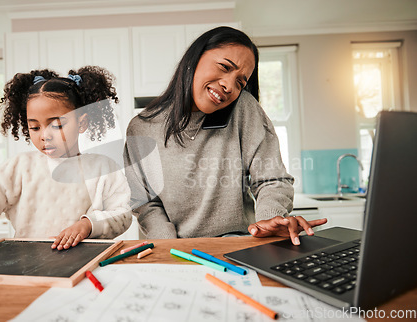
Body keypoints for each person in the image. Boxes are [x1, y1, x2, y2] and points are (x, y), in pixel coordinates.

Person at [124, 26, 326, 244]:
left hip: (238, 244)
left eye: (240, 82)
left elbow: (271, 179)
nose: (229, 86)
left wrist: (269, 220)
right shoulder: (141, 128)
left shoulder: (244, 109)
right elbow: (146, 202)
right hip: (177, 249)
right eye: (224, 67)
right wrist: (168, 245)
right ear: (194, 58)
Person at [0, 66, 132, 262]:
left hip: (88, 264)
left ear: (82, 122)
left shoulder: (103, 168)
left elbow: (122, 214)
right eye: (35, 127)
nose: (45, 136)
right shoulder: (19, 167)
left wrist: (88, 224)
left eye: (57, 124)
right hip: (28, 265)